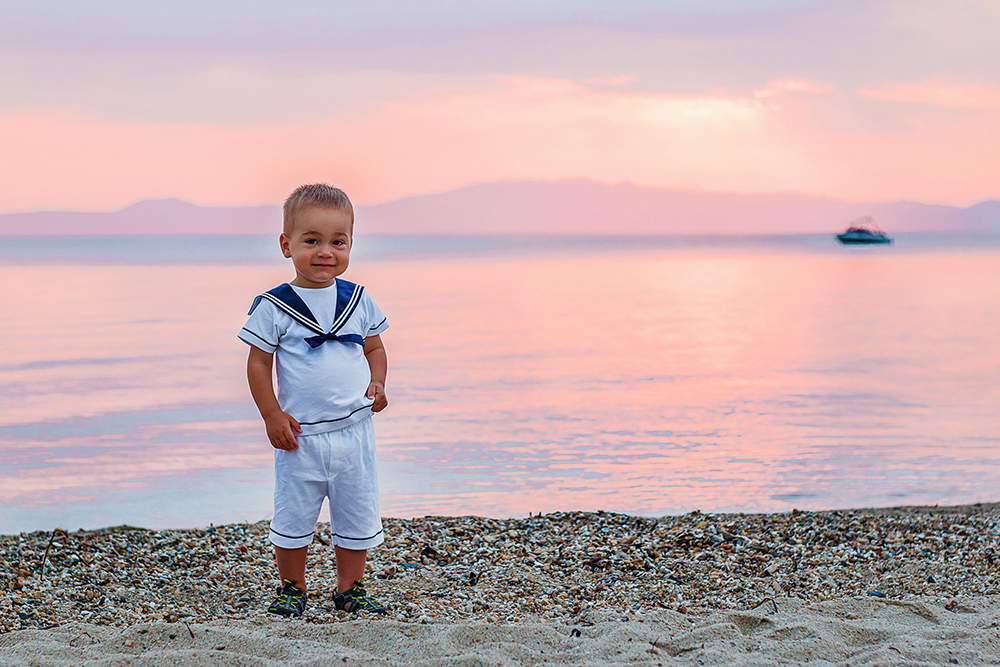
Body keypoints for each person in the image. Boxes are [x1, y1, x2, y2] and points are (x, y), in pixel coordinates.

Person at [239, 183, 390, 618]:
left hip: (354, 433)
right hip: (300, 435)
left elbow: (375, 348)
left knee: (356, 514)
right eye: (312, 241)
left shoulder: (358, 300)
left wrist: (377, 382)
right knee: (293, 518)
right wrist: (272, 414)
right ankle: (292, 587)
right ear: (286, 245)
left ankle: (350, 589)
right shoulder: (274, 306)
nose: (325, 252)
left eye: (337, 242)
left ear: (350, 245)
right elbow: (257, 364)